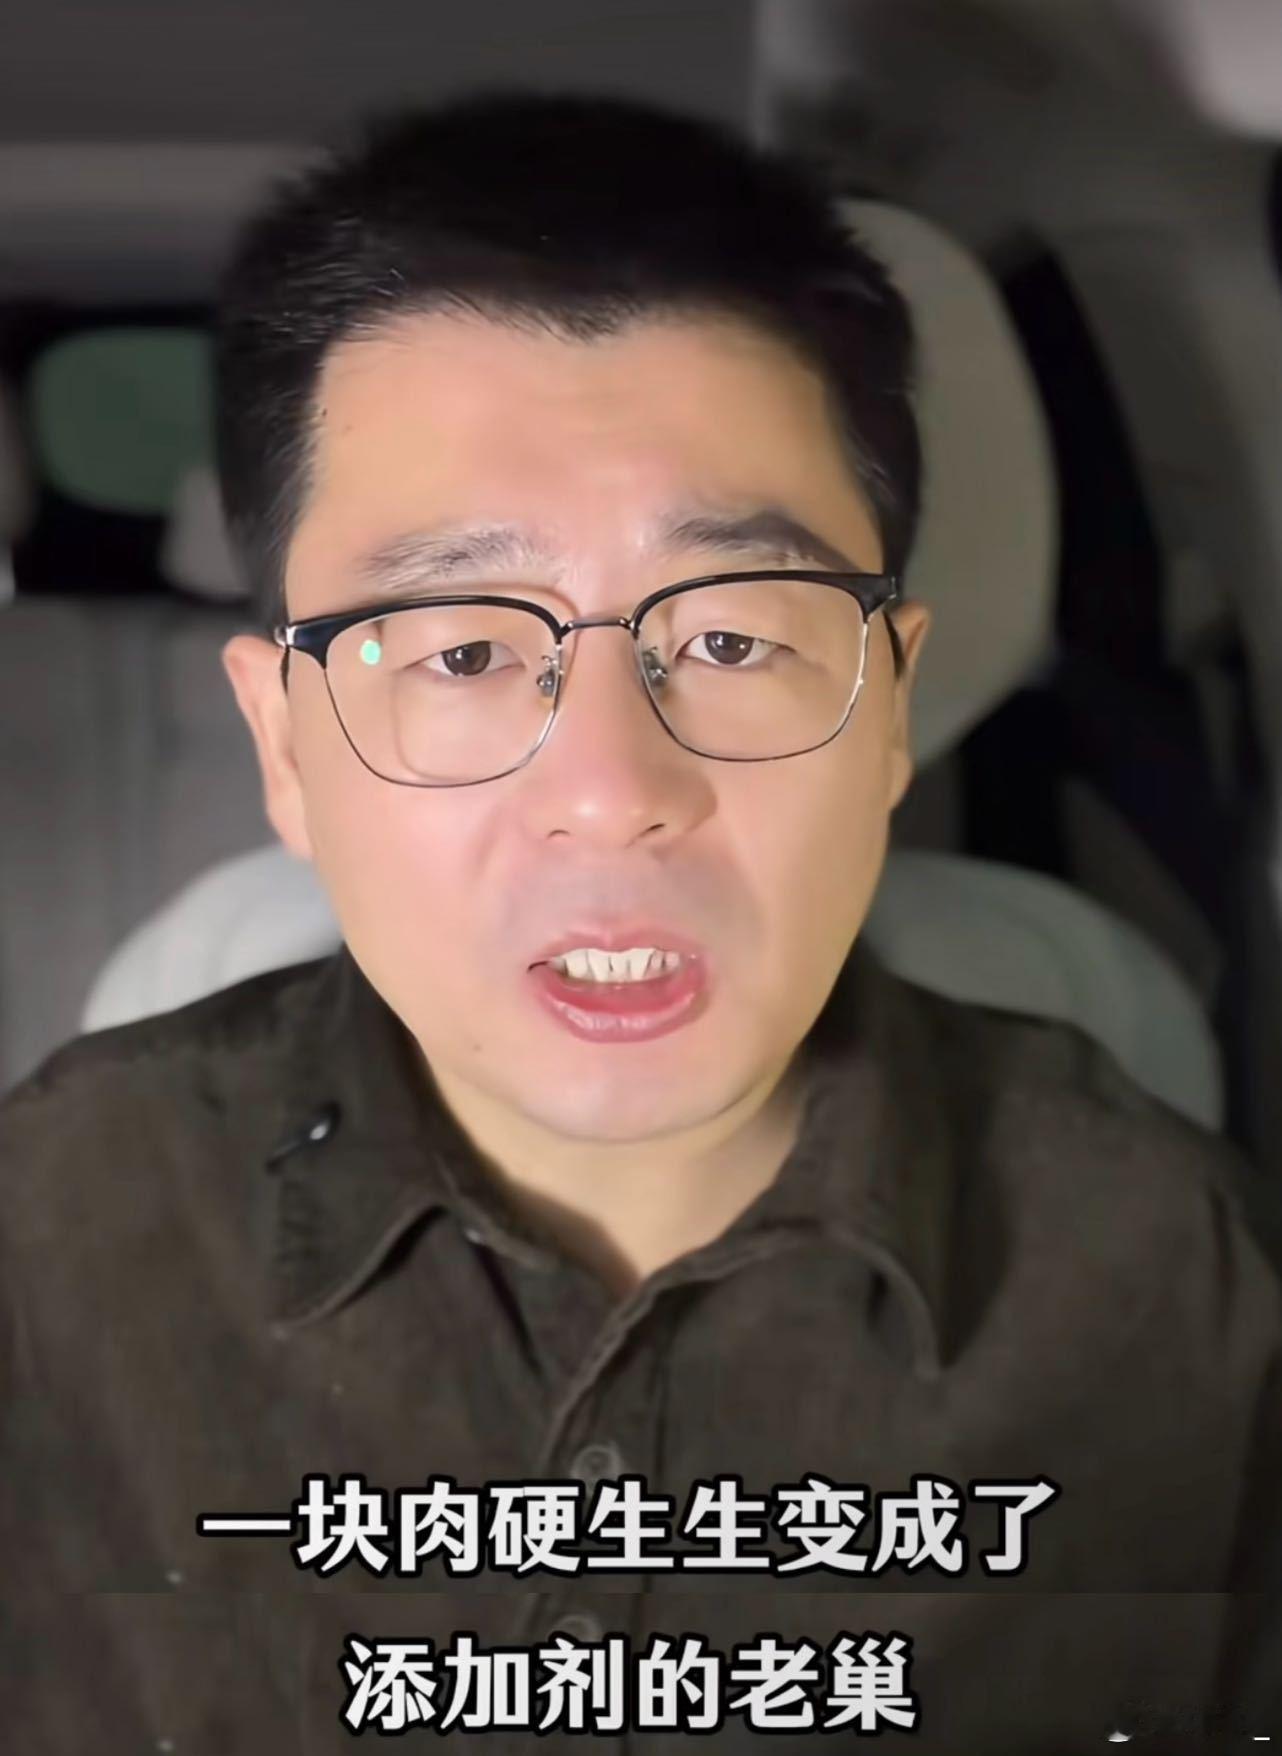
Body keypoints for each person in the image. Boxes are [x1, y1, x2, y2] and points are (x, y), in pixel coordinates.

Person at [1, 91, 1279, 1755]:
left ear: (887, 708)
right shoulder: (51, 1239)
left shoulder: (1188, 1284)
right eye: (462, 651)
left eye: (735, 640)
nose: (611, 791)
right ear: (286, 746)